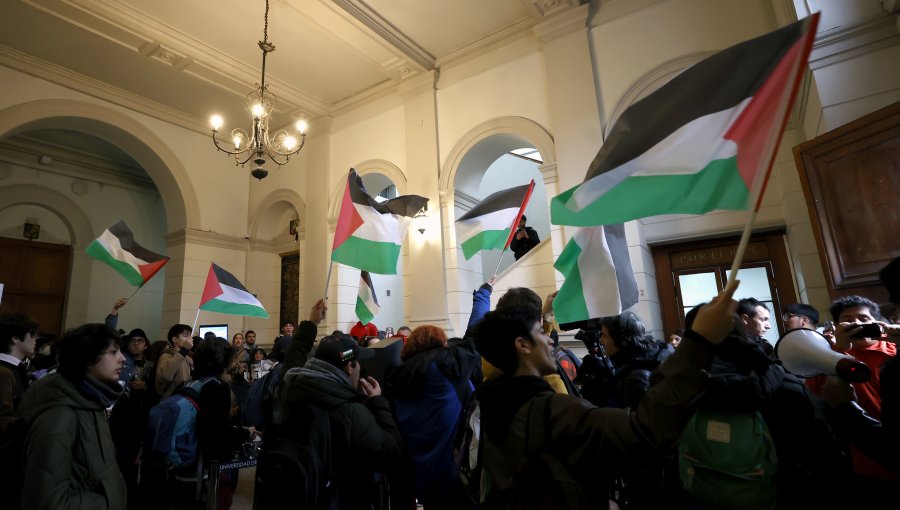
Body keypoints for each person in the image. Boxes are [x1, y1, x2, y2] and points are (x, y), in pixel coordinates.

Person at [473, 280, 739, 507]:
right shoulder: (552, 411)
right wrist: (699, 343)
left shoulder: (494, 402)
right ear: (522, 345)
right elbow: (644, 433)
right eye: (542, 332)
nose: (550, 340)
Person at [282, 332, 403, 509]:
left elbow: (293, 359)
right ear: (349, 368)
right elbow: (391, 451)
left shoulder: (291, 389)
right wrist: (377, 402)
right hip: (340, 499)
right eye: (359, 362)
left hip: (301, 494)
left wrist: (310, 326)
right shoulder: (350, 411)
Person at [19, 323, 127, 509]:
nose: (122, 359)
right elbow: (48, 501)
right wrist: (108, 502)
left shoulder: (91, 402)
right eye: (112, 352)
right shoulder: (60, 416)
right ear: (86, 358)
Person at [806, 295, 899, 487]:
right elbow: (815, 389)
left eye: (864, 319)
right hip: (862, 455)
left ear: (877, 322)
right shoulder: (830, 356)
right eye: (847, 319)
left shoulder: (895, 351)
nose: (856, 323)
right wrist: (839, 349)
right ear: (837, 326)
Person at [386, 325, 480, 509]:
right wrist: (483, 295)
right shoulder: (442, 367)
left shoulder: (398, 376)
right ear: (439, 343)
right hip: (452, 470)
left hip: (420, 470)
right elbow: (473, 338)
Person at [0, 312, 38, 509]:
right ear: (15, 337)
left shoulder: (15, 369)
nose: (35, 339)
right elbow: (2, 421)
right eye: (32, 334)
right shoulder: (4, 372)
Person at [155, 324, 194, 398]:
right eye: (186, 336)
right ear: (174, 339)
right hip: (169, 401)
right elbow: (165, 376)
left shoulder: (187, 357)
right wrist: (184, 350)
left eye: (190, 336)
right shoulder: (167, 355)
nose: (190, 339)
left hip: (181, 399)